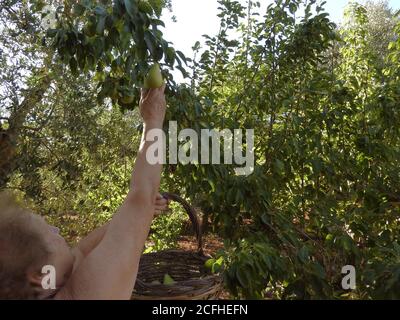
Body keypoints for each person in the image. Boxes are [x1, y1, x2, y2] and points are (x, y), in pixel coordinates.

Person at [0, 85, 168, 299]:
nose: (57, 228)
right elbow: (142, 194)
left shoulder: (54, 284)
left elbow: (80, 252)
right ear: (38, 276)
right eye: (49, 231)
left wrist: (142, 213)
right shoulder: (90, 293)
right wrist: (153, 120)